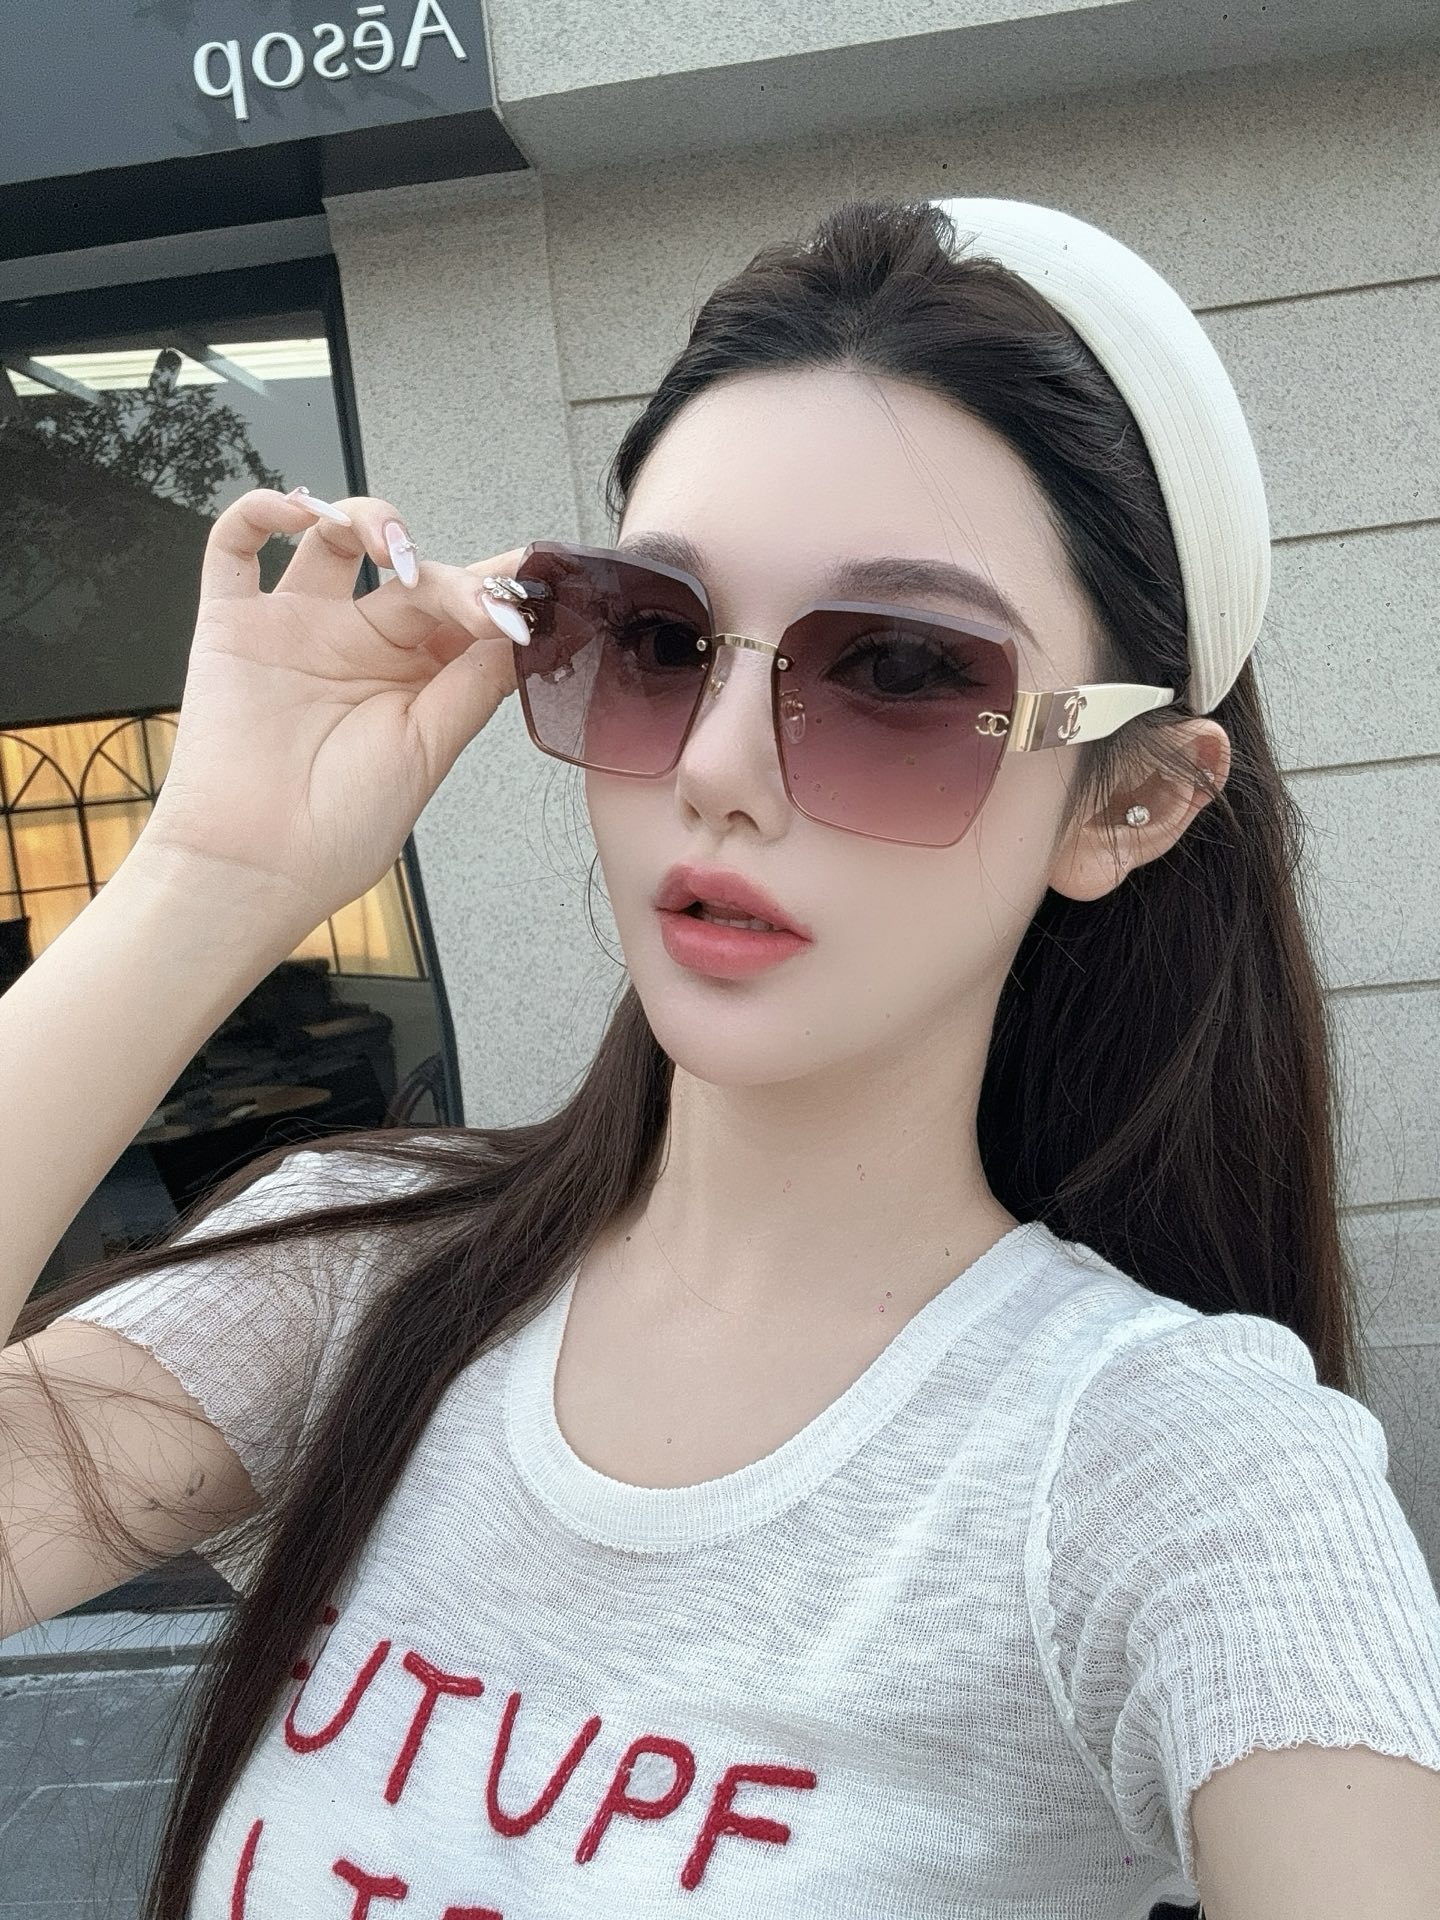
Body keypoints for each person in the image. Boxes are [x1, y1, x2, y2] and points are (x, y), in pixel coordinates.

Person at [2, 196, 1437, 1920]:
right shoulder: (361, 1273)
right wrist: (210, 876)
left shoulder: (1173, 1465)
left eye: (898, 670)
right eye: (663, 641)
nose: (717, 767)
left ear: (1126, 800)